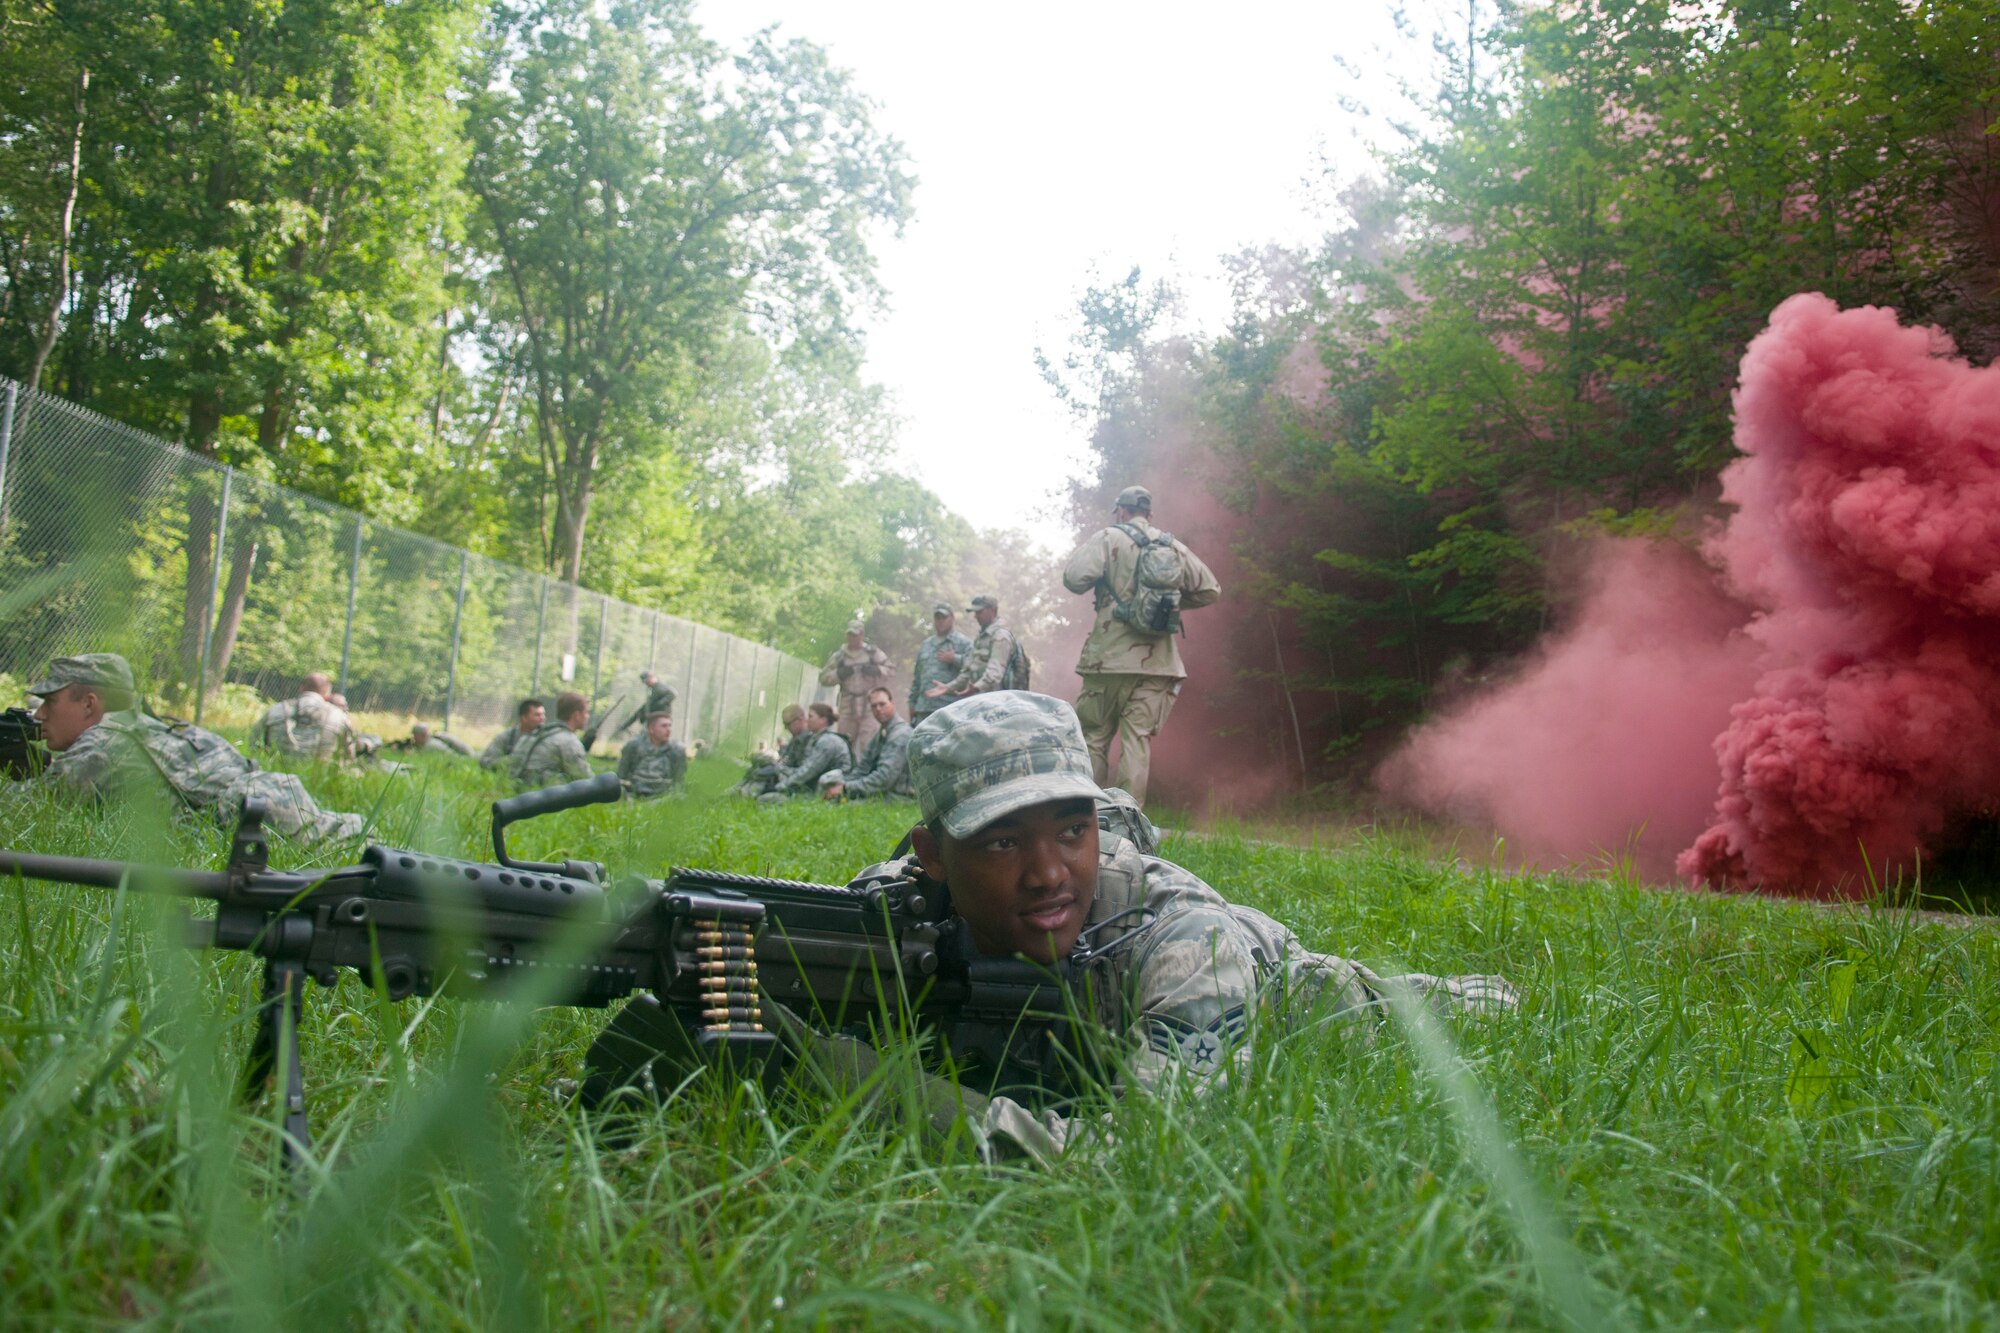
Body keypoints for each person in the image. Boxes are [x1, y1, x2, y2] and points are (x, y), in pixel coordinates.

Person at [786, 691, 1516, 1166]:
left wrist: (871, 1087)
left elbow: (1145, 1155)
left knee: (1428, 1009)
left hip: (1291, 991)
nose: (1048, 873)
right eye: (1003, 842)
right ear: (933, 856)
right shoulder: (895, 908)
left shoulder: (1186, 941)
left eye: (1073, 829)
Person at [8, 654, 364, 844]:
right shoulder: (160, 726)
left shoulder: (101, 747)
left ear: (89, 704)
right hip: (283, 804)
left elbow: (22, 812)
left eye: (50, 703)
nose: (39, 715)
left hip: (261, 823)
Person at [1061, 484, 1221, 806]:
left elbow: (1074, 578)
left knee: (1094, 737)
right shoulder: (1171, 545)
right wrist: (1165, 607)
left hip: (1107, 660)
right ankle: (1128, 827)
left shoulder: (1109, 537)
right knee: (1137, 742)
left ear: (1121, 511)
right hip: (1158, 664)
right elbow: (1210, 589)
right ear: (1150, 514)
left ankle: (1086, 823)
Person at [819, 688, 914, 802]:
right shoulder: (881, 733)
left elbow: (885, 778)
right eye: (874, 706)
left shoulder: (900, 734)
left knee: (839, 804)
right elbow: (863, 768)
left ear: (892, 703)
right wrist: (841, 785)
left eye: (882, 704)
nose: (878, 709)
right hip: (883, 792)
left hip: (900, 797)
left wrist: (845, 788)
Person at [926, 596, 1020, 702]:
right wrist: (948, 687)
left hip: (998, 701)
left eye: (979, 612)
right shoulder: (981, 638)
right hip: (981, 699)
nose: (975, 616)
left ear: (993, 611)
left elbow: (994, 673)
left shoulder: (1000, 636)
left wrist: (976, 687)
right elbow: (968, 671)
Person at [820, 620, 894, 754]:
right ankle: (845, 772)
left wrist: (877, 670)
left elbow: (891, 670)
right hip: (847, 706)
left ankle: (870, 773)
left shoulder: (873, 653)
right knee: (844, 744)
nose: (853, 638)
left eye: (856, 635)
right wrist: (839, 674)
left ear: (862, 635)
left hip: (869, 706)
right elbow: (823, 678)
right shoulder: (839, 656)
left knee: (869, 744)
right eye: (850, 635)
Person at [755, 702, 851, 803]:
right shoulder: (816, 739)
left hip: (827, 794)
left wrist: (780, 786)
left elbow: (806, 772)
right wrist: (779, 770)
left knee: (766, 799)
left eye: (810, 716)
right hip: (816, 789)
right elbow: (802, 770)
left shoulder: (827, 742)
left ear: (823, 720)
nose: (807, 720)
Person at [255, 672, 356, 761]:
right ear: (327, 695)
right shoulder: (338, 716)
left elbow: (254, 745)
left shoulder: (275, 710)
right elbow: (349, 756)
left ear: (301, 689)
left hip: (276, 774)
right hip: (320, 776)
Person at [507, 691, 592, 788]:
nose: (587, 716)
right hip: (542, 796)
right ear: (576, 715)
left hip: (517, 790)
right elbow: (585, 779)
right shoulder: (569, 741)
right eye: (586, 712)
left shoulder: (536, 734)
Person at [908, 603, 973, 728]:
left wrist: (955, 659)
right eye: (937, 618)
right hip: (924, 709)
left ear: (952, 619)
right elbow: (917, 678)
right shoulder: (926, 645)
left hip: (950, 708)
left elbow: (974, 670)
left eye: (944, 617)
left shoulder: (963, 643)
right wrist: (912, 704)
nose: (940, 621)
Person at [735, 703, 810, 796]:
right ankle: (739, 792)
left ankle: (744, 795)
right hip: (786, 773)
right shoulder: (796, 738)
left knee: (764, 773)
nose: (786, 728)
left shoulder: (808, 739)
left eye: (787, 724)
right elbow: (786, 759)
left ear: (800, 719)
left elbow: (801, 768)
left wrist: (777, 768)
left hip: (795, 780)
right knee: (760, 765)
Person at [618, 711, 688, 799]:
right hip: (634, 790)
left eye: (670, 725)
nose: (668, 729)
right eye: (664, 726)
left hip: (664, 794)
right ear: (651, 728)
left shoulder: (677, 750)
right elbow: (621, 775)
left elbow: (679, 780)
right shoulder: (634, 745)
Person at [480, 698, 545, 770]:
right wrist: (513, 760)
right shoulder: (507, 737)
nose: (542, 718)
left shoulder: (546, 738)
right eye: (537, 715)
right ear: (524, 718)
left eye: (543, 714)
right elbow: (485, 761)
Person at [393, 722, 472, 757]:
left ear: (422, 735)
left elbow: (419, 756)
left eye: (415, 735)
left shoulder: (432, 745)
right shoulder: (427, 743)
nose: (414, 737)